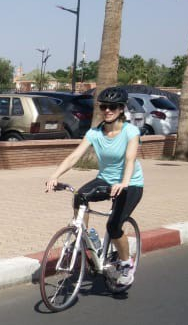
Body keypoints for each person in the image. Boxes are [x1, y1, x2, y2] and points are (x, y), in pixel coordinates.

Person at [45, 86, 144, 286]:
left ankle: (126, 264)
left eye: (113, 107)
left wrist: (124, 182)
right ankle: (84, 235)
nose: (108, 110)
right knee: (80, 195)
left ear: (121, 109)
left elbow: (130, 159)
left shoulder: (130, 131)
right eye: (104, 106)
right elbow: (74, 156)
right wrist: (54, 176)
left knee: (114, 226)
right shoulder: (95, 133)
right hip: (105, 179)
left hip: (130, 183)